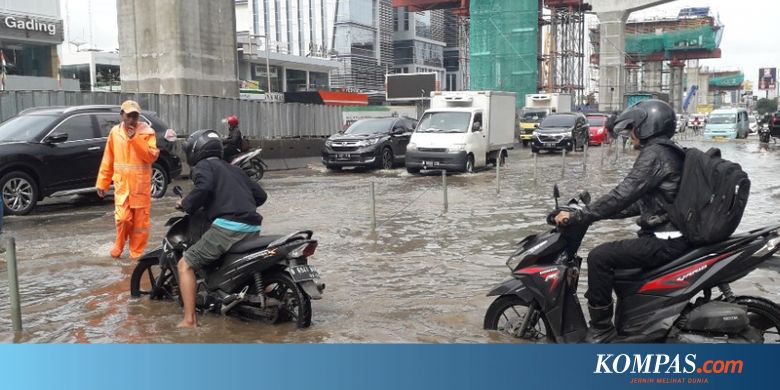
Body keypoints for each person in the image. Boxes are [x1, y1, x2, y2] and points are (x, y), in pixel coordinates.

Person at [553, 100, 690, 343]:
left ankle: (602, 330)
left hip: (664, 240)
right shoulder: (667, 151)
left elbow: (621, 194)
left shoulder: (655, 154)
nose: (631, 134)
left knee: (599, 257)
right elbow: (638, 204)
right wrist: (594, 213)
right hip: (672, 236)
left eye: (634, 127)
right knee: (617, 266)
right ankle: (630, 325)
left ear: (648, 126)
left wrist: (579, 216)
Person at [176, 130, 267, 328]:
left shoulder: (202, 166)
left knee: (185, 264)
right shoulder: (234, 169)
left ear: (195, 150)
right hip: (252, 226)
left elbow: (204, 188)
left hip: (228, 228)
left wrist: (186, 203)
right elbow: (260, 195)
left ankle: (189, 320)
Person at [96, 100, 160, 260]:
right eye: (129, 116)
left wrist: (135, 139)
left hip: (140, 188)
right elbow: (108, 159)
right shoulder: (114, 133)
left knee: (140, 225)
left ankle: (136, 255)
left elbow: (151, 156)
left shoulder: (147, 132)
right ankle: (119, 244)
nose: (131, 120)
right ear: (121, 115)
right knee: (123, 219)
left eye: (135, 116)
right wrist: (102, 183)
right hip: (123, 187)